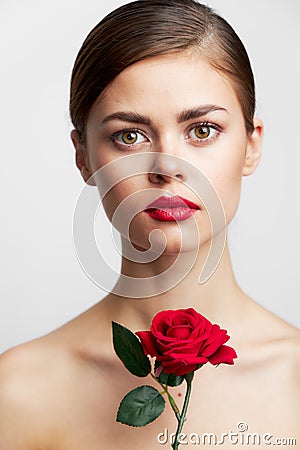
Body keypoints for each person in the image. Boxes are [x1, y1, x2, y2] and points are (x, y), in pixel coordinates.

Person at [0, 1, 299, 449]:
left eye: (202, 130)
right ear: (83, 156)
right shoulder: (17, 392)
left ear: (252, 146)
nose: (167, 167)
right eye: (129, 135)